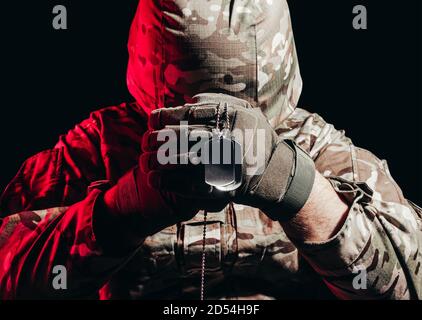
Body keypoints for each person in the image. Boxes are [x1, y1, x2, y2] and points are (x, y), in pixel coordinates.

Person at [0, 0, 420, 300]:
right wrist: (126, 206)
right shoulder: (92, 151)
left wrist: (298, 190)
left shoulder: (321, 150)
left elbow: (410, 286)